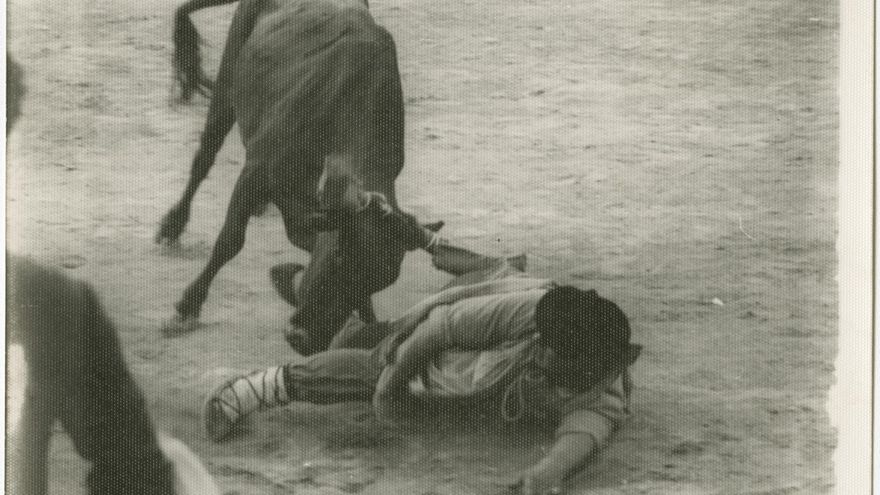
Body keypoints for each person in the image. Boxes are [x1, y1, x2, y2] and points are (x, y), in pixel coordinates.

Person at [202, 239, 641, 495]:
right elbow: (440, 326)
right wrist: (389, 388)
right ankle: (262, 386)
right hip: (464, 311)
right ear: (542, 340)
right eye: (547, 357)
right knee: (383, 355)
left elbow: (592, 421)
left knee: (381, 348)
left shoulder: (601, 362)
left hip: (492, 360)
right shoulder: (528, 311)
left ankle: (312, 297)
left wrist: (548, 473)